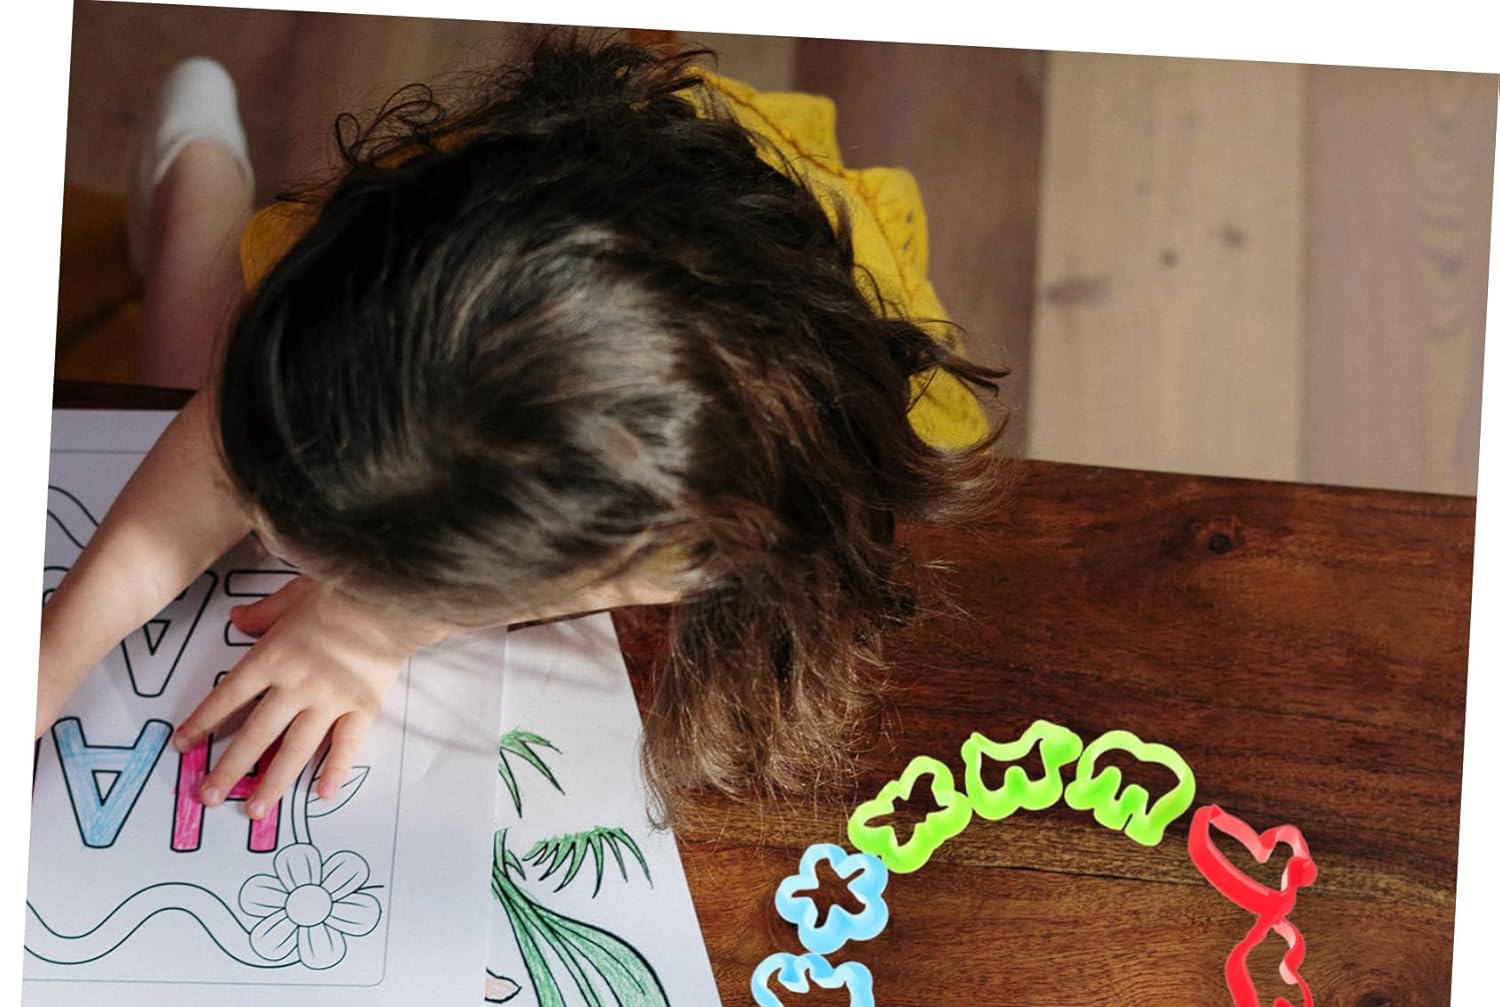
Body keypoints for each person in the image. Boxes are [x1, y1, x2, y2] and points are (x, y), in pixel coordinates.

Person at [38, 34, 1010, 826]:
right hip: (542, 205)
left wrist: (371, 630)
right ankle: (194, 168)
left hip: (705, 269)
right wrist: (45, 664)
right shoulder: (387, 281)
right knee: (185, 371)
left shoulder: (705, 524)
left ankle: (196, 168)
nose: (284, 550)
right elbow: (212, 445)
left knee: (174, 377)